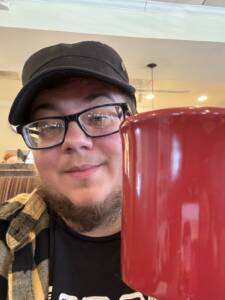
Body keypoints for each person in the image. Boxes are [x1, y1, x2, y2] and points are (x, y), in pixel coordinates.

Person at [0, 41, 152, 300]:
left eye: (99, 116)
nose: (75, 140)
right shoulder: (6, 237)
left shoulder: (204, 231)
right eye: (47, 125)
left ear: (134, 127)